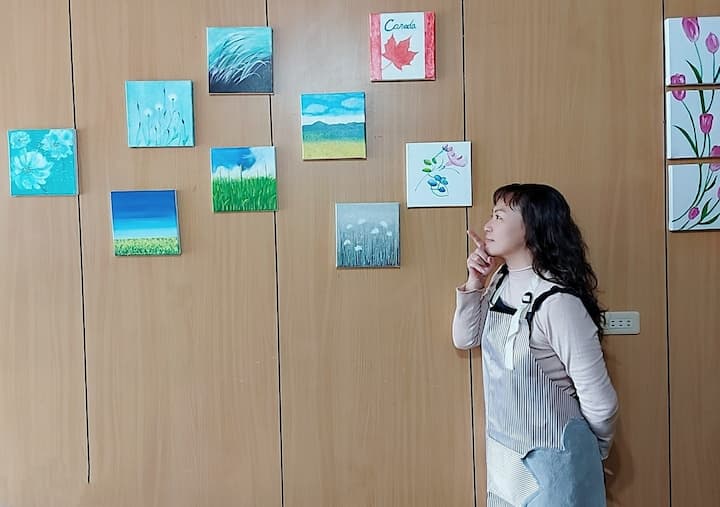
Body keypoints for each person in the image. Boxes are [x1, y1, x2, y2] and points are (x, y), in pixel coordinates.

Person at [452, 183, 618, 507]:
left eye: (499, 216)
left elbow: (601, 401)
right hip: (506, 461)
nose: (487, 225)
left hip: (557, 462)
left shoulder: (557, 303)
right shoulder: (500, 282)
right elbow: (465, 338)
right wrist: (475, 281)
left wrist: (591, 453)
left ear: (532, 226)